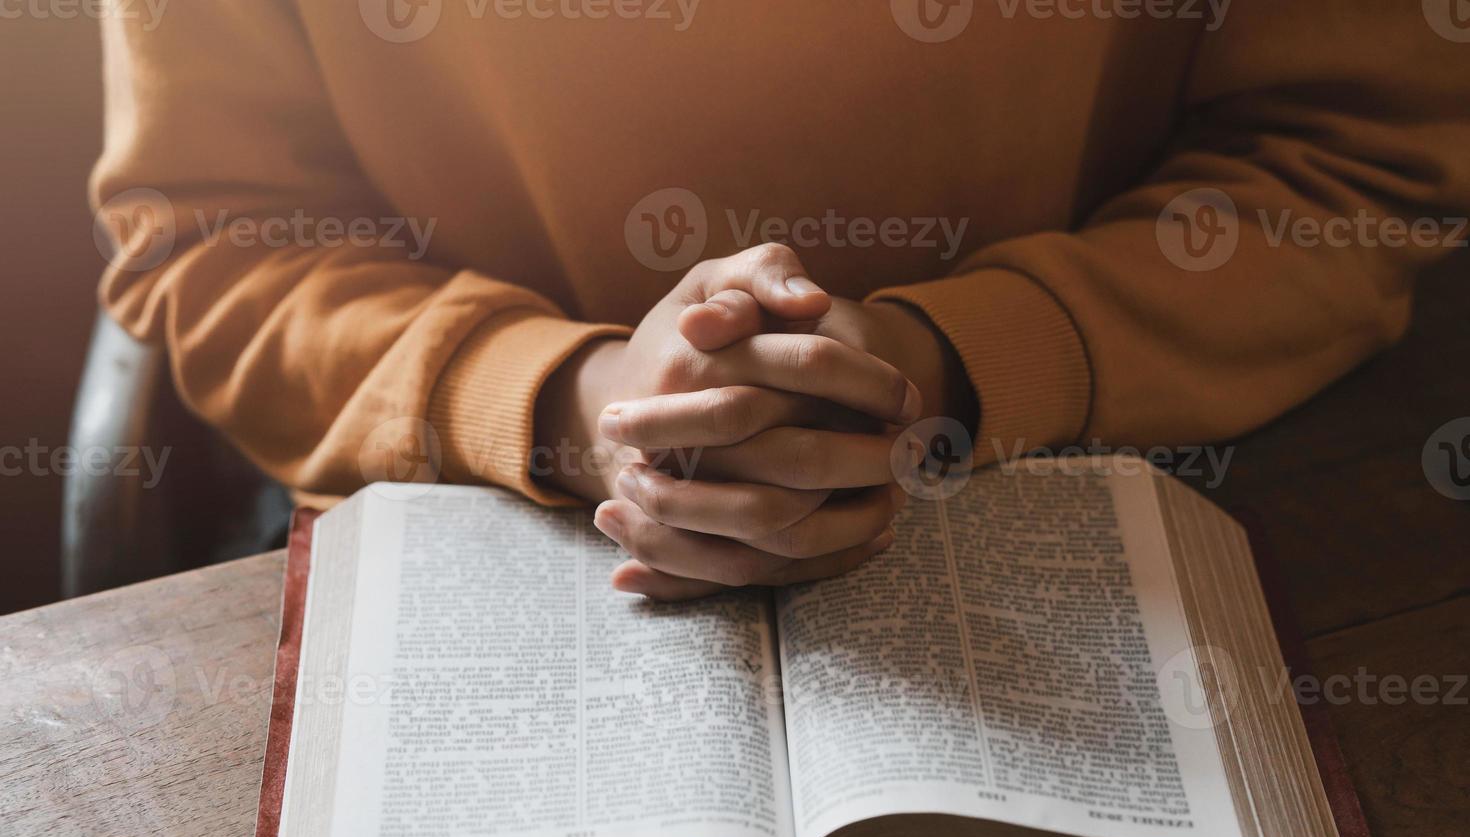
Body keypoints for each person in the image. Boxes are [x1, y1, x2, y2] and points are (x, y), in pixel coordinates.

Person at [93, 2, 1470, 599]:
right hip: (470, 519)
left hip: (1132, 485)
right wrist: (571, 404)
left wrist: (949, 363)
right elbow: (217, 239)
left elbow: (1348, 161)